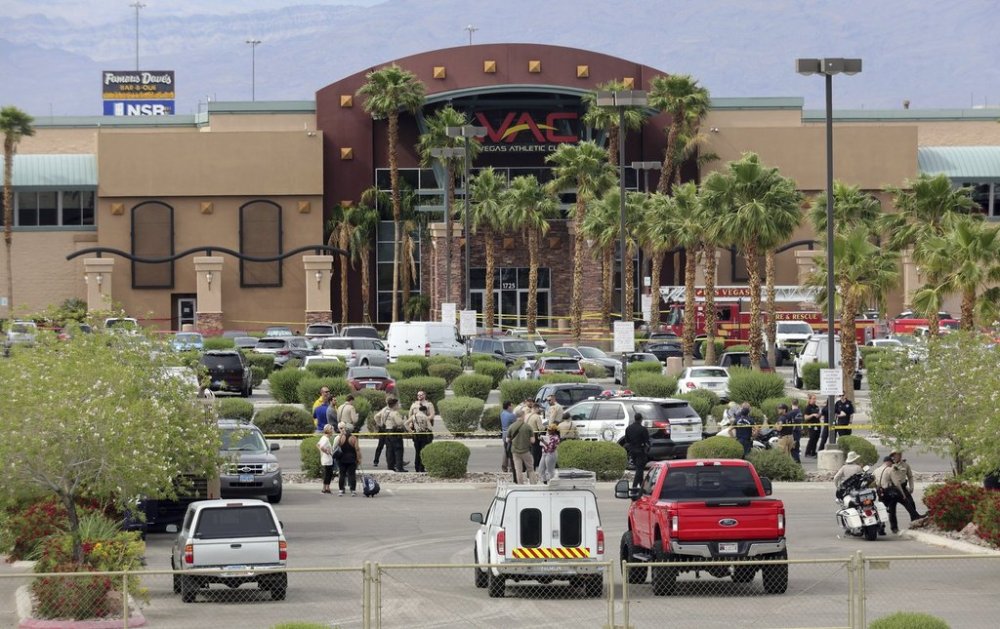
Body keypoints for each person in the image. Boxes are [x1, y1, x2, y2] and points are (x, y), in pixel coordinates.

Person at [889, 450, 926, 521]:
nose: (894, 456)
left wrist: (911, 487)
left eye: (896, 455)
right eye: (893, 455)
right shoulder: (890, 465)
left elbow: (910, 477)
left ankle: (914, 520)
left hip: (903, 487)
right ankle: (894, 526)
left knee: (911, 503)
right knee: (892, 508)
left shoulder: (905, 465)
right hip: (893, 488)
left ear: (900, 455)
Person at [875, 455, 906, 534]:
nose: (892, 464)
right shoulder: (889, 469)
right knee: (892, 510)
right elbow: (897, 483)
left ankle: (880, 528)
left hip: (880, 492)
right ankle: (894, 528)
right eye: (891, 463)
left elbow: (873, 481)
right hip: (888, 493)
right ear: (888, 462)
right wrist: (902, 493)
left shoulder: (876, 470)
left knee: (881, 510)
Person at [507, 409, 538, 485]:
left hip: (515, 451)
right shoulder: (528, 427)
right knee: (530, 469)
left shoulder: (511, 426)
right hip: (526, 451)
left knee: (518, 470)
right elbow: (533, 441)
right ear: (523, 415)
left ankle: (520, 485)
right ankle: (533, 484)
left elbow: (507, 440)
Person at [624, 412, 651, 488]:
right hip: (640, 451)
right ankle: (634, 487)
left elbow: (627, 440)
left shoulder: (628, 428)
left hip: (632, 451)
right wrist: (647, 449)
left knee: (639, 468)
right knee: (639, 469)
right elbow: (647, 441)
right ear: (641, 419)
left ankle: (642, 487)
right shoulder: (643, 429)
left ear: (635, 418)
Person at [334, 421, 361, 496]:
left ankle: (341, 490)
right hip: (352, 459)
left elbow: (337, 446)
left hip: (342, 458)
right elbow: (357, 449)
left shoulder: (341, 437)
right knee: (352, 475)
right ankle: (353, 490)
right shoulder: (354, 438)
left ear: (345, 429)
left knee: (342, 474)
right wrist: (359, 458)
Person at [406, 403, 433, 473]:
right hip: (423, 436)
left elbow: (405, 424)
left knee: (417, 452)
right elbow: (430, 428)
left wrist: (411, 431)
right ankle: (421, 468)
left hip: (416, 436)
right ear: (425, 411)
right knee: (422, 452)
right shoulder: (425, 417)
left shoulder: (414, 416)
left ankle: (416, 467)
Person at [383, 397, 407, 472]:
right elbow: (399, 423)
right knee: (398, 450)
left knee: (389, 451)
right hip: (395, 433)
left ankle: (390, 467)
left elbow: (379, 419)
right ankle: (399, 467)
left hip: (388, 432)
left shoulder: (386, 413)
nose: (398, 405)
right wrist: (403, 420)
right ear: (395, 405)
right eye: (398, 404)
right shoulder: (395, 413)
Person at [525, 401, 546, 470]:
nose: (539, 410)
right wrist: (545, 426)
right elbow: (541, 428)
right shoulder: (537, 417)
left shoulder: (526, 415)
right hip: (534, 436)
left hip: (526, 435)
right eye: (539, 409)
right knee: (535, 452)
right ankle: (533, 467)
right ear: (536, 408)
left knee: (528, 452)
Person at [317, 423, 336, 493]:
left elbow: (318, 445)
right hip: (327, 459)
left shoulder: (324, 438)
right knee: (328, 474)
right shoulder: (325, 439)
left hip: (327, 459)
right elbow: (321, 447)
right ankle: (324, 488)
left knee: (329, 473)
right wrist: (326, 452)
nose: (333, 431)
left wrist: (322, 452)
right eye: (332, 430)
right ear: (329, 431)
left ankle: (327, 487)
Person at [499, 401, 517, 475]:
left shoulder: (502, 413)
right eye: (511, 406)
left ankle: (504, 466)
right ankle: (511, 467)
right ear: (509, 406)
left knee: (506, 450)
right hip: (510, 434)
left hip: (504, 433)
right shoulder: (511, 415)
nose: (512, 408)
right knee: (511, 451)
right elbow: (516, 423)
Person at [372, 403, 389, 467]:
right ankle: (392, 461)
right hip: (388, 429)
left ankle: (376, 461)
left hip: (382, 429)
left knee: (380, 446)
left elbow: (376, 416)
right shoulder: (390, 410)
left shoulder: (383, 409)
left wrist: (379, 424)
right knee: (390, 447)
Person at [788, 399, 804, 463]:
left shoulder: (791, 413)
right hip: (798, 431)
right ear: (798, 403)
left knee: (793, 448)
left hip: (794, 432)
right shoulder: (799, 412)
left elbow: (789, 422)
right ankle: (797, 460)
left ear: (791, 403)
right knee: (797, 446)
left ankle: (797, 461)